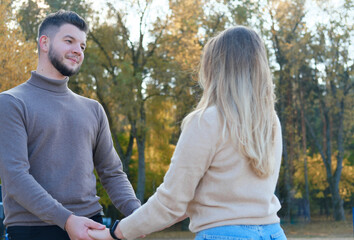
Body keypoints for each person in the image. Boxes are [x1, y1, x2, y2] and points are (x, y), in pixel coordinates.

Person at [88, 26, 287, 240]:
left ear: (216, 68)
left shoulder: (208, 121)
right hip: (273, 233)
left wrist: (116, 233)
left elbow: (171, 202)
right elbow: (184, 202)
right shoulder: (270, 122)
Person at [0, 10, 141, 240]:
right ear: (44, 43)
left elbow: (112, 173)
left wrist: (138, 215)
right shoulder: (11, 102)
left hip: (91, 227)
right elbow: (15, 178)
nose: (78, 50)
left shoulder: (93, 109)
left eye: (83, 46)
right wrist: (66, 220)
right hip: (33, 230)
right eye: (69, 41)